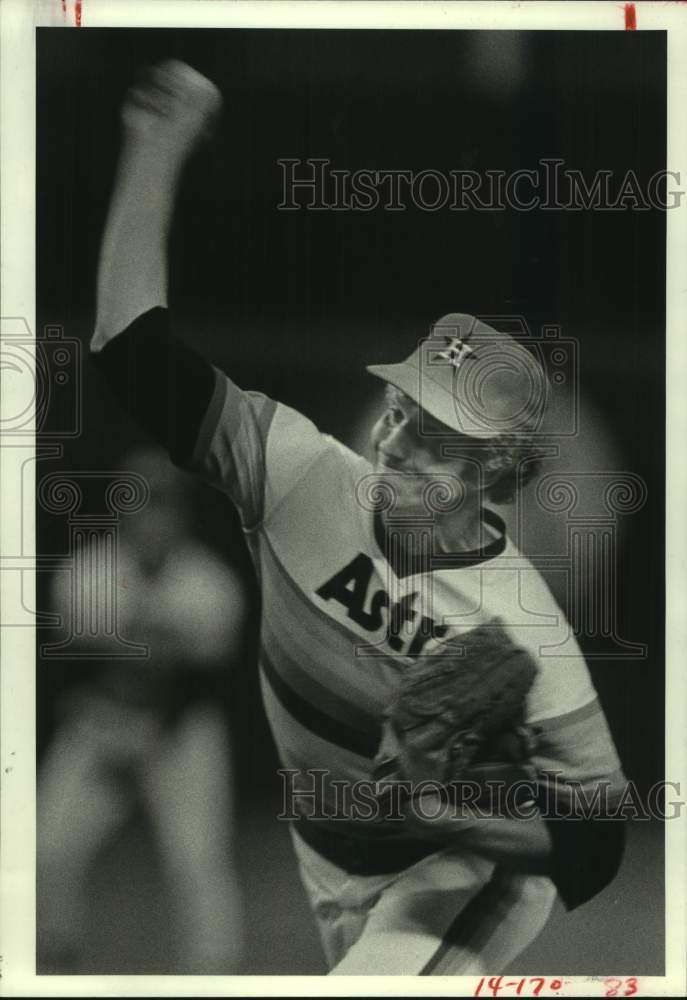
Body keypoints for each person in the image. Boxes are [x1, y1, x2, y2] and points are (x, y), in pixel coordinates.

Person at [89, 60, 628, 975]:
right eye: (400, 413)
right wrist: (156, 148)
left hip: (458, 874)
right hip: (332, 871)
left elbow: (596, 840)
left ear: (495, 470)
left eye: (434, 438)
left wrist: (447, 814)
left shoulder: (518, 618)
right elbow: (134, 356)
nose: (395, 445)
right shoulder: (302, 475)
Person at [38, 447, 247, 974]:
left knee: (198, 862)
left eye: (164, 502)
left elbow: (215, 678)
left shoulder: (212, 585)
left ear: (183, 512)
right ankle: (49, 960)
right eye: (140, 501)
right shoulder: (83, 575)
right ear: (120, 509)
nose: (152, 514)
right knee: (47, 849)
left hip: (179, 732)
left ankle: (214, 972)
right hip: (101, 725)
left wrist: (144, 648)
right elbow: (61, 667)